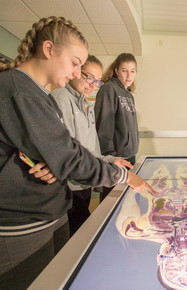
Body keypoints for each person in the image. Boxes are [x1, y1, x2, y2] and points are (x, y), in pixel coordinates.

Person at [0, 16, 154, 289]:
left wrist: (54, 161)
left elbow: (61, 149)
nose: (77, 73)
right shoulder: (16, 90)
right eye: (75, 63)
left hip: (48, 214)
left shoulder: (39, 95)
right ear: (49, 49)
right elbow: (68, 156)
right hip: (15, 227)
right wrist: (121, 175)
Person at [51, 55, 132, 236]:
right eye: (89, 78)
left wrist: (107, 160)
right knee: (81, 234)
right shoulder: (61, 99)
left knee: (78, 232)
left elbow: (92, 143)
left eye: (97, 81)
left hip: (84, 179)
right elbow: (70, 148)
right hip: (68, 183)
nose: (93, 85)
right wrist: (107, 164)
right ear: (76, 71)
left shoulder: (86, 103)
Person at [94, 53, 139, 202]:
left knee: (125, 202)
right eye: (124, 70)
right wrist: (110, 157)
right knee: (111, 203)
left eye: (132, 71)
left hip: (129, 156)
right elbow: (103, 126)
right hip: (116, 158)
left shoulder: (129, 95)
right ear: (116, 70)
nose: (128, 75)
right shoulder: (109, 89)